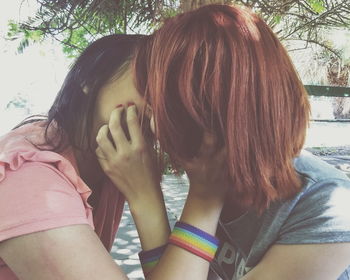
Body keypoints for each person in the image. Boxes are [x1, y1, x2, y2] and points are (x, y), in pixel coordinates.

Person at [129, 4, 350, 280]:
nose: (149, 124)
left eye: (154, 107)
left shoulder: (327, 208)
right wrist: (145, 197)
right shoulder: (216, 177)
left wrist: (199, 203)